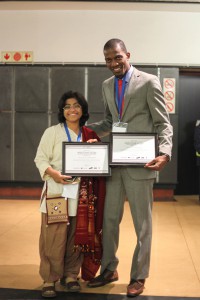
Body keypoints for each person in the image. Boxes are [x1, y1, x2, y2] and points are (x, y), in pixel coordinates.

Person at [87, 38, 173, 297]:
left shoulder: (148, 81)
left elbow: (163, 123)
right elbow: (112, 121)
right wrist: (85, 130)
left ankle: (138, 276)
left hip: (141, 164)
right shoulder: (106, 85)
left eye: (117, 57)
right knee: (109, 220)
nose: (113, 63)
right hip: (116, 163)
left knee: (142, 225)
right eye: (108, 60)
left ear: (127, 55)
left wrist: (165, 152)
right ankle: (109, 268)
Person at [34, 91, 105, 298]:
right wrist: (54, 174)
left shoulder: (89, 135)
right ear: (62, 111)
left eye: (76, 105)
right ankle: (49, 278)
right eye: (67, 106)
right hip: (57, 192)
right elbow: (40, 159)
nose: (72, 109)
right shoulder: (52, 132)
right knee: (53, 237)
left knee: (76, 236)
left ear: (82, 110)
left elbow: (97, 164)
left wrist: (96, 149)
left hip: (80, 195)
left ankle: (71, 275)